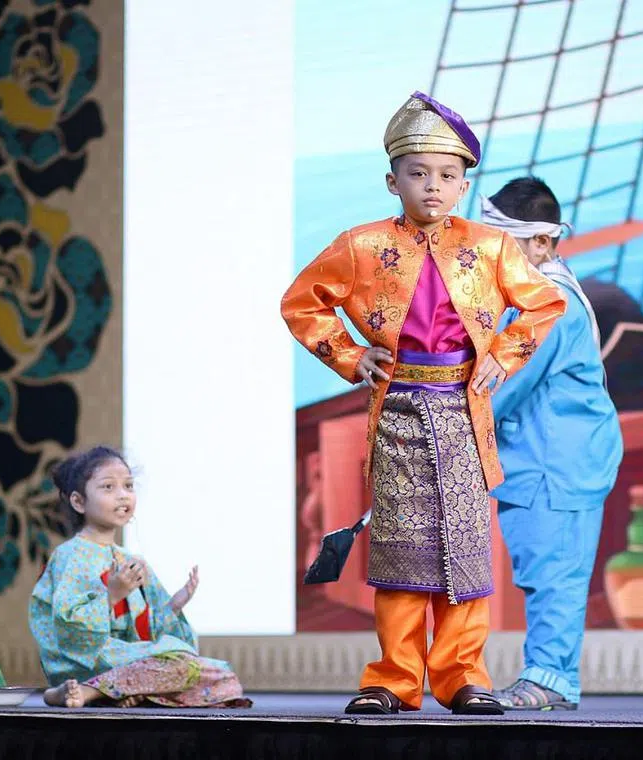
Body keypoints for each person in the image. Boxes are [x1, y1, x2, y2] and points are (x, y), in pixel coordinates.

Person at [281, 93, 566, 715]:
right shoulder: (361, 245)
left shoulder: (492, 247)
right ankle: (393, 678)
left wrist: (505, 352)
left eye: (446, 175)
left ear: (464, 185)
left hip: (464, 410)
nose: (432, 186)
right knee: (401, 551)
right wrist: (348, 355)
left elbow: (545, 302)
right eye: (418, 173)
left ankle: (463, 676)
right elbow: (302, 302)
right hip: (399, 412)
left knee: (465, 551)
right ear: (393, 181)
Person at [480, 177, 623, 710]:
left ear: (541, 243)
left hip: (556, 462)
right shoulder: (534, 297)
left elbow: (504, 387)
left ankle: (550, 680)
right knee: (544, 570)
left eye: (503, 244)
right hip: (540, 457)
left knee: (554, 575)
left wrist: (441, 431)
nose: (488, 255)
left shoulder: (550, 305)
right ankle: (547, 675)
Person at [29, 445, 251, 709]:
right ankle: (87, 690)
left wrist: (173, 606)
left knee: (222, 677)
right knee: (182, 666)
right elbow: (66, 628)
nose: (123, 495)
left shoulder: (131, 560)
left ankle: (114, 693)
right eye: (108, 487)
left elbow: (148, 633)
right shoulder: (69, 555)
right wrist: (112, 596)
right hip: (89, 660)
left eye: (128, 486)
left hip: (129, 661)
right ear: (79, 502)